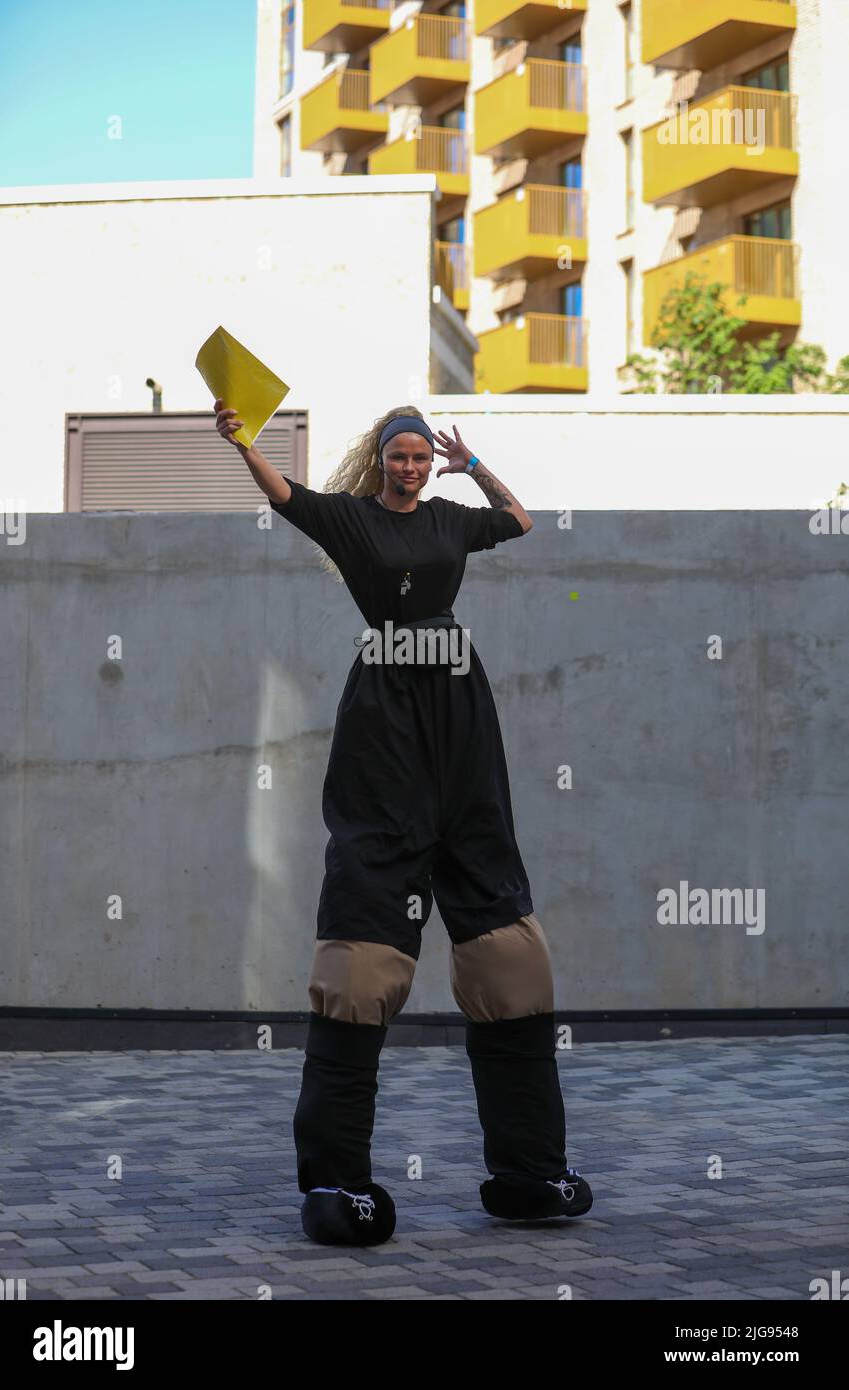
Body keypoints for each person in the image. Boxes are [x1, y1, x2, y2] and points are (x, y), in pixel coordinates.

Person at [213, 399, 593, 1246]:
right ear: (381, 460)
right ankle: (336, 1186)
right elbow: (284, 497)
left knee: (505, 943)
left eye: (424, 457)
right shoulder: (351, 522)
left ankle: (532, 1172)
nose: (413, 467)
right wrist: (243, 441)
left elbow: (521, 521)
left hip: (461, 709)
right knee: (362, 946)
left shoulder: (455, 519)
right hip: (384, 722)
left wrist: (476, 462)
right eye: (403, 457)